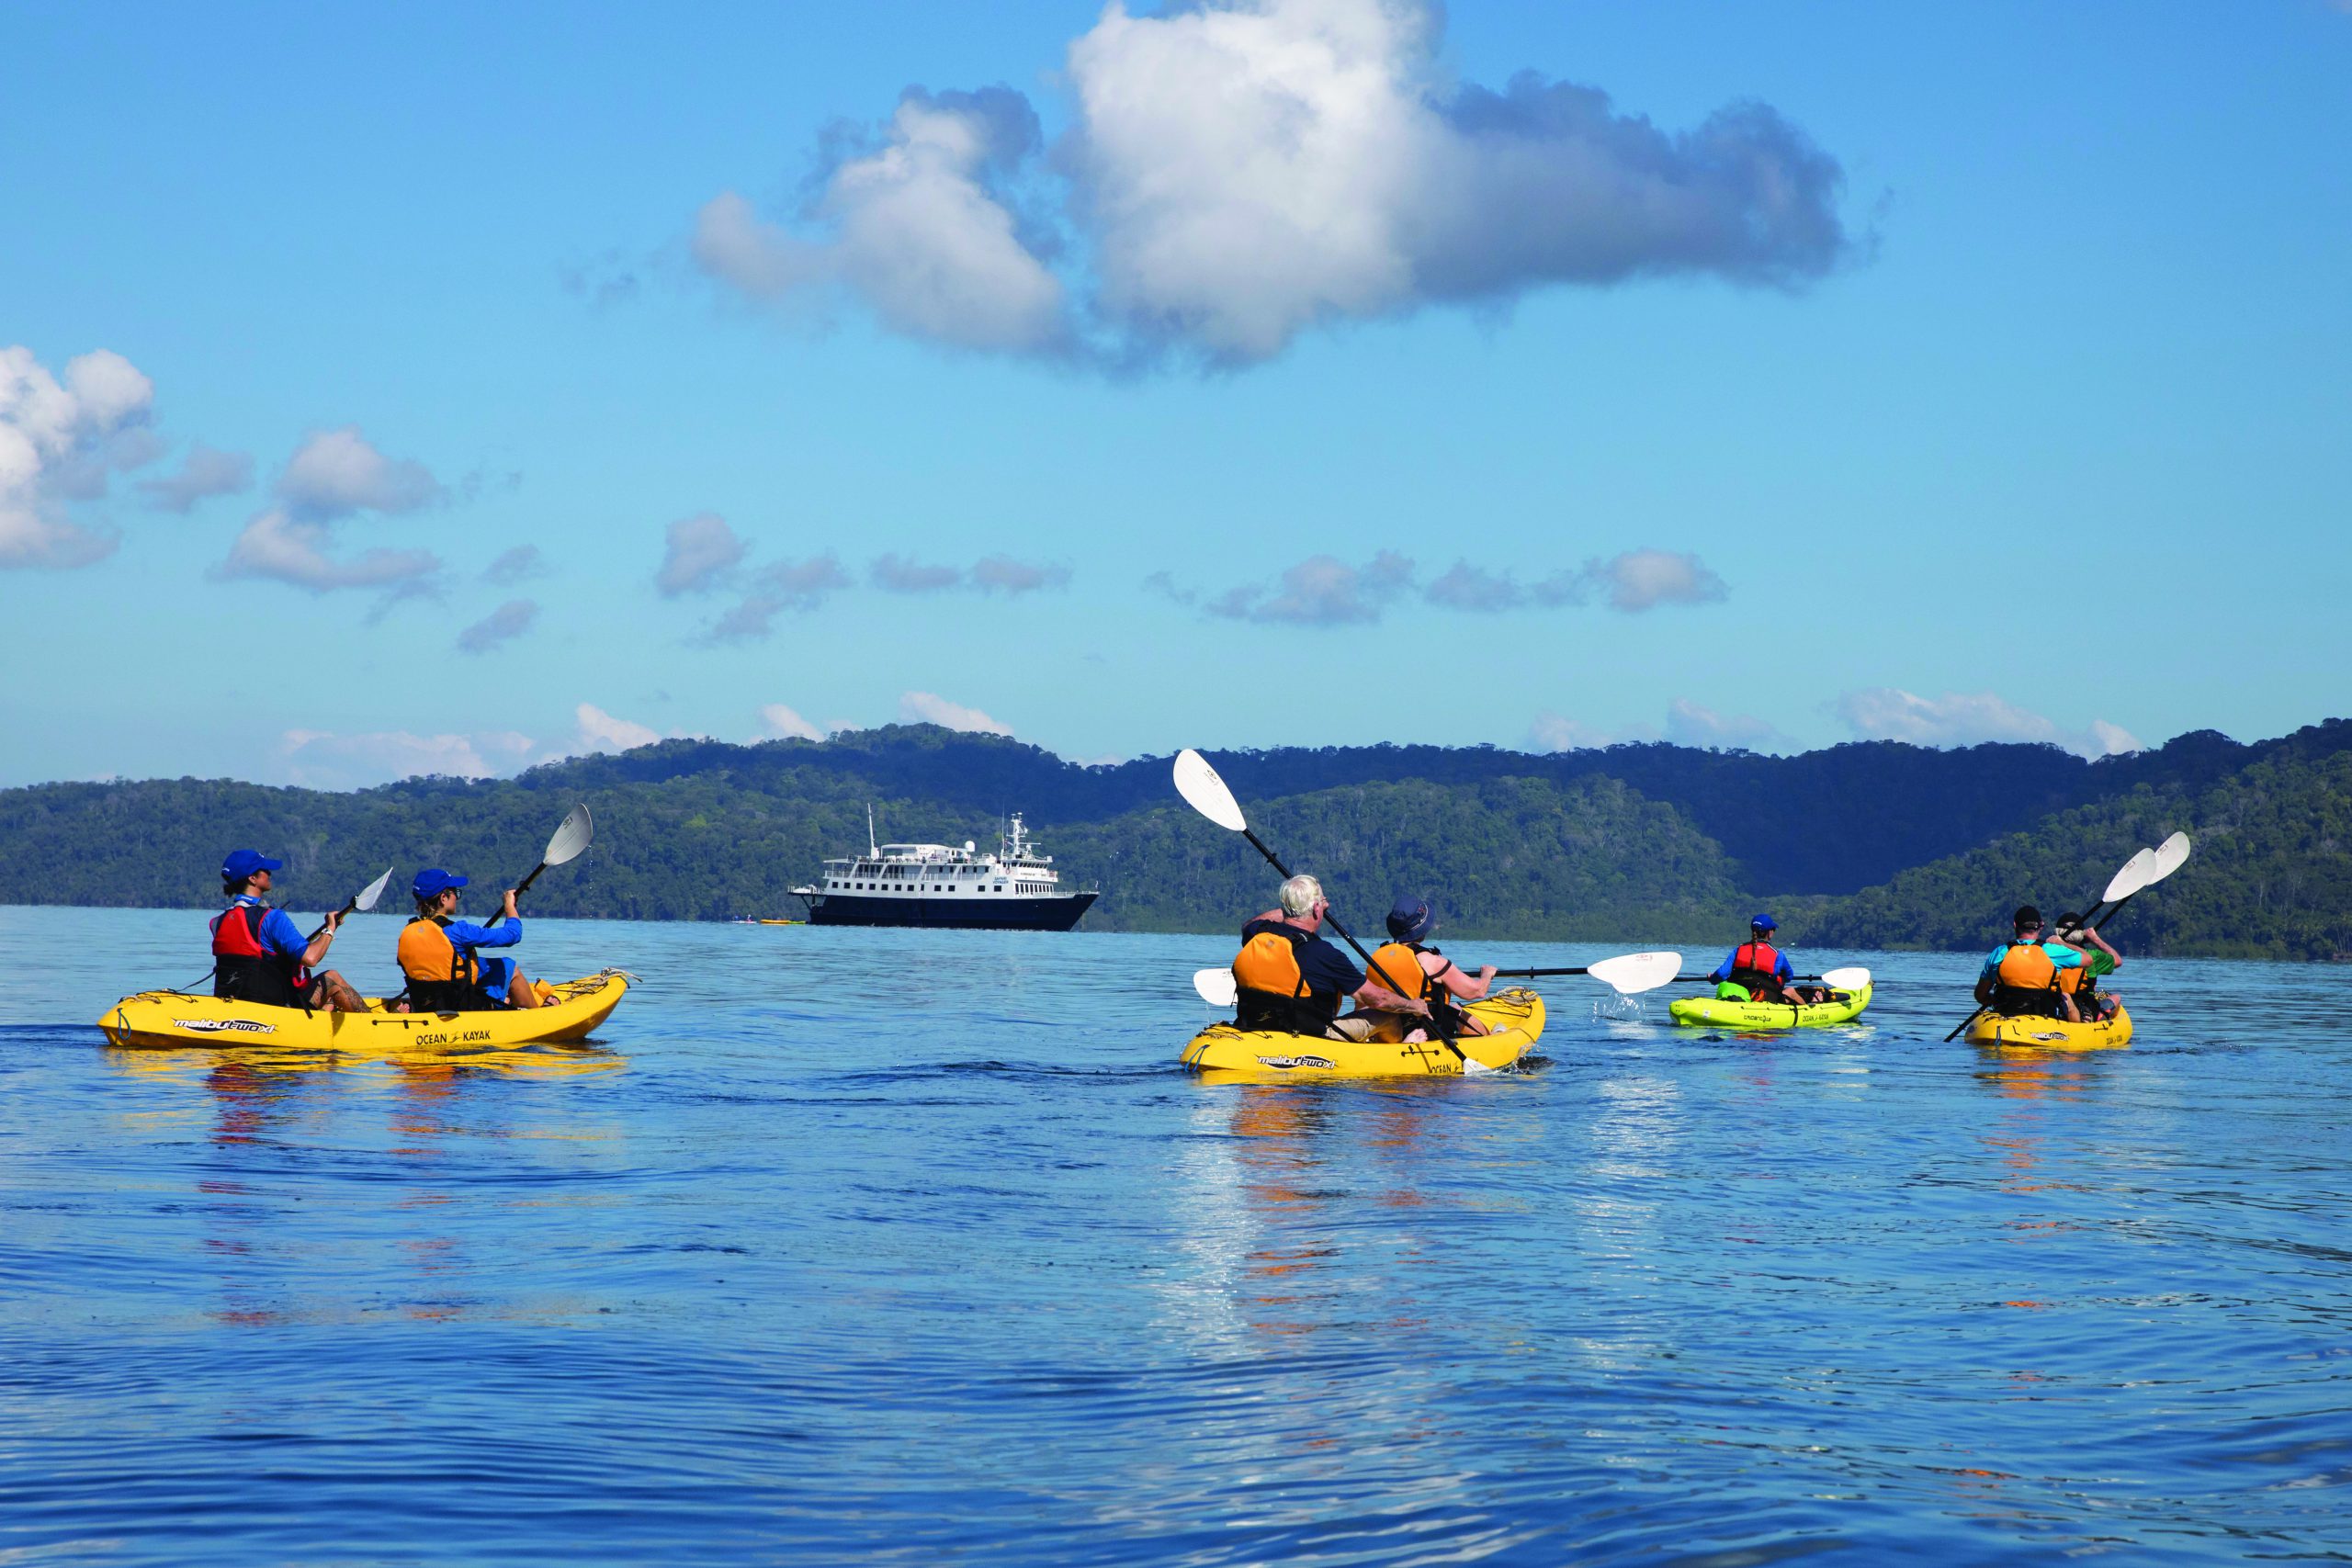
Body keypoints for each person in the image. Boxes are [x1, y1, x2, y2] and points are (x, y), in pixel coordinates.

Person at [1232, 874, 1426, 1042]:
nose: (1327, 904)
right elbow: (1378, 999)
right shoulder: (1326, 954)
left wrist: (1290, 907)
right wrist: (1412, 1005)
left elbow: (1248, 924)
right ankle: (1399, 1050)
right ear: (1317, 909)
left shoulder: (1258, 933)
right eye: (1324, 901)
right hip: (1312, 1033)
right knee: (1389, 1016)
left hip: (1257, 1022)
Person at [209, 849, 362, 1011]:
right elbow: (310, 958)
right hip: (275, 1007)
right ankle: (375, 1025)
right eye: (265, 870)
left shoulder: (217, 922)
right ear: (253, 878)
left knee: (330, 1003)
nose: (269, 874)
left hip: (236, 1003)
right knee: (332, 978)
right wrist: (330, 929)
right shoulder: (273, 917)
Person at [397, 869, 540, 1011]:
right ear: (443, 898)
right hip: (459, 1004)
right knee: (509, 966)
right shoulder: (459, 931)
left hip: (424, 1002)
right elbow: (512, 934)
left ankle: (507, 1000)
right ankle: (538, 1015)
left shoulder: (408, 931)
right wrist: (509, 906)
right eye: (455, 892)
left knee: (484, 965)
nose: (457, 897)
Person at [1361, 896, 1498, 1041]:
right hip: (1426, 1031)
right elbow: (1477, 991)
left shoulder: (1378, 958)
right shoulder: (1433, 962)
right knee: (1456, 1009)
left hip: (1389, 1029)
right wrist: (1487, 975)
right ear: (1422, 929)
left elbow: (1362, 1003)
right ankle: (1493, 1039)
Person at [1973, 904, 2087, 1021]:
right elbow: (2088, 959)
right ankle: (2076, 1030)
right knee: (2066, 997)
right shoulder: (2052, 951)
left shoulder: (1999, 952)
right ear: (2041, 926)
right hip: (2044, 1016)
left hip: (2005, 1013)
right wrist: (2062, 944)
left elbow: (1980, 995)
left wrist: (1995, 1001)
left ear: (2015, 925)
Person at [1709, 914, 1824, 1004]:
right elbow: (1789, 976)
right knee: (1790, 991)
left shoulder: (1738, 950)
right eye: (1774, 929)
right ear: (1769, 933)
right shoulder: (1778, 955)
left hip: (1741, 994)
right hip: (1766, 997)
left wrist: (1712, 979)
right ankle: (1811, 1007)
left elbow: (1721, 974)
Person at [2052, 912, 2123, 1021]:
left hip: (2056, 1003)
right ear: (2081, 935)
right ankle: (2098, 1016)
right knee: (2116, 997)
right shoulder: (2093, 956)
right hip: (2086, 1007)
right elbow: (2117, 961)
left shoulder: (2049, 952)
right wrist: (2095, 938)